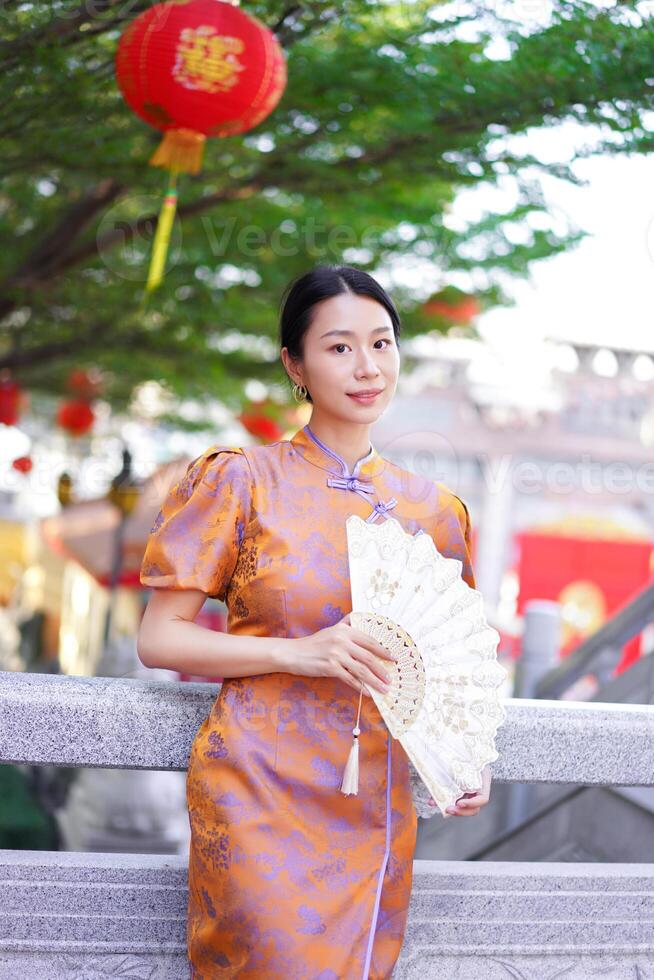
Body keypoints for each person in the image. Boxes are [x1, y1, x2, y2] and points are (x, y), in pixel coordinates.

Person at [137, 264, 492, 979]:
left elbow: (452, 665)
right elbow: (158, 638)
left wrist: (462, 756)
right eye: (338, 348)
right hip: (259, 790)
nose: (367, 367)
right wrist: (300, 654)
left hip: (376, 803)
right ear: (294, 364)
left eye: (382, 343)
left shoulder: (435, 512)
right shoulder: (242, 481)